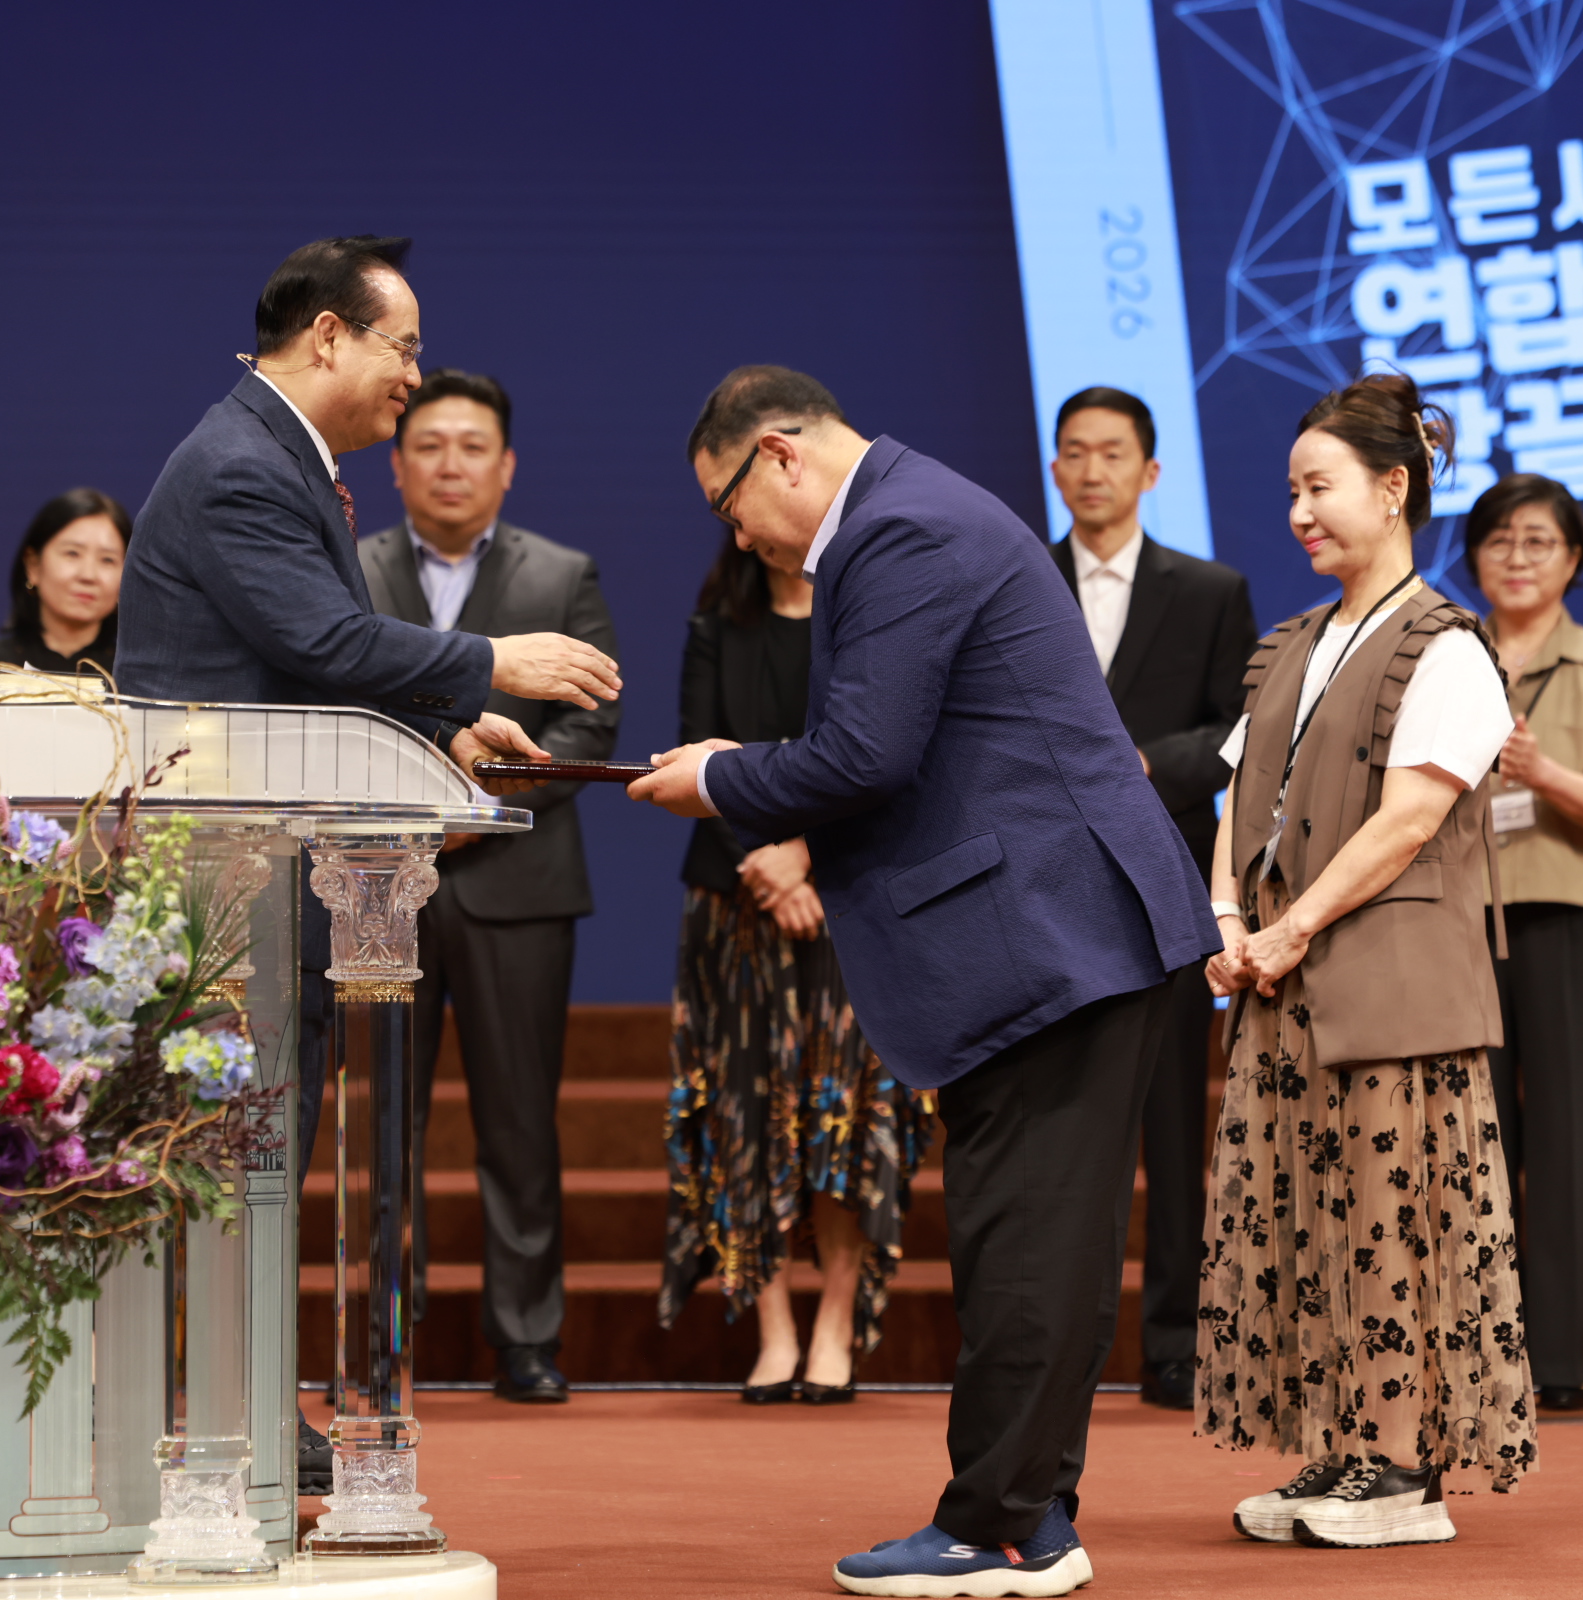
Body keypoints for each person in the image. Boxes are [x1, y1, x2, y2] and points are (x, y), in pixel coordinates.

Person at [629, 366, 1215, 1598]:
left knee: (1029, 1241)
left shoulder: (899, 529)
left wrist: (721, 777)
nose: (738, 535)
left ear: (779, 453)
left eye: (729, 504)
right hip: (1051, 932)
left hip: (1054, 933)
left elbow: (865, 753)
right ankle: (1032, 1514)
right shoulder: (909, 510)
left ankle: (997, 1525)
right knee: (1040, 1238)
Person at [112, 235, 621, 1491]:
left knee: (259, 1154)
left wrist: (450, 729)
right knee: (236, 1153)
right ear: (328, 336)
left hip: (270, 868)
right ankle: (215, 1414)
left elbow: (298, 666)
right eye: (404, 348)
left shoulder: (274, 451)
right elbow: (322, 640)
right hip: (229, 874)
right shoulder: (242, 465)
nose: (415, 376)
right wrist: (493, 662)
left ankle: (244, 1405)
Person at [1199, 372, 1533, 1549]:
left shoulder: (1447, 646)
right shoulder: (1291, 643)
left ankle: (1404, 1469)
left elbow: (1408, 820)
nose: (1300, 511)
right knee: (1309, 1217)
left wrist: (1290, 929)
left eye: (1321, 486)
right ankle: (1343, 1445)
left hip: (1393, 989)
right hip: (1284, 989)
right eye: (1291, 490)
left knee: (1398, 1215)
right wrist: (1226, 917)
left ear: (1394, 490)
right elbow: (1241, 799)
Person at [354, 369, 621, 1405]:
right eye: (429, 445)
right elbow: (335, 697)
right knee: (387, 1125)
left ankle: (527, 1339)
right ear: (397, 464)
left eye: (473, 447)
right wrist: (429, 800)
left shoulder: (563, 574)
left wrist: (481, 805)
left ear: (506, 467)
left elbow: (592, 721)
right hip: (382, 885)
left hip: (520, 879)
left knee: (520, 1122)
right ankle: (385, 1337)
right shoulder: (353, 570)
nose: (451, 465)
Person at [658, 534, 933, 1408]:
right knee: (745, 1116)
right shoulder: (716, 627)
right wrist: (769, 867)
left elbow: (892, 765)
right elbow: (692, 773)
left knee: (843, 1118)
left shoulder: (867, 625)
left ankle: (834, 1324)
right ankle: (772, 1325)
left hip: (853, 902)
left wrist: (807, 856)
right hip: (734, 906)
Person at [1046, 385, 1256, 1412]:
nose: (1094, 471)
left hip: (1167, 877)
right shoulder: (1019, 582)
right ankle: (1052, 1346)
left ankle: (1175, 1342)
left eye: (1114, 452)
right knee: (1054, 1127)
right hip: (1041, 887)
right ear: (1055, 469)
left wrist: (1145, 763)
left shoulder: (1209, 590)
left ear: (1151, 470)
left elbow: (1240, 730)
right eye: (1076, 452)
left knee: (1175, 1124)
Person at [1468, 474, 1583, 1414]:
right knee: (1475, 1144)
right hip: (1464, 922)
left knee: (1573, 1143)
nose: (1518, 558)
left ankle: (1561, 1361)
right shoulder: (1444, 660)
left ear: (1573, 559)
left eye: (1538, 541)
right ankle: (1479, 1354)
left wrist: (1542, 773)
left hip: (1573, 919)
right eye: (1499, 540)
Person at [0, 487, 130, 674]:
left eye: (107, 560)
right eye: (72, 553)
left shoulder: (137, 677)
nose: (88, 575)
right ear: (33, 565)